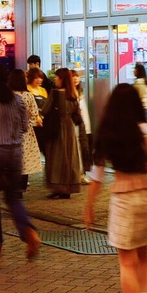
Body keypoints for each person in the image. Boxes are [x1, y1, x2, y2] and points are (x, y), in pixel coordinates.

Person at [85, 86, 147, 293]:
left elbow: (96, 176)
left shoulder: (109, 133)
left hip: (124, 200)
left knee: (126, 263)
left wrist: (89, 207)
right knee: (144, 256)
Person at [0, 63, 42, 259]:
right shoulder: (19, 101)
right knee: (13, 198)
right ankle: (29, 232)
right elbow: (23, 127)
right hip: (15, 155)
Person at [44, 67, 84, 198]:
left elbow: (44, 110)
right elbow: (77, 117)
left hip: (56, 129)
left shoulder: (55, 94)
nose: (55, 79)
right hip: (69, 129)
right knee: (69, 158)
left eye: (57, 77)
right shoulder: (73, 95)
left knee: (56, 158)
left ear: (61, 79)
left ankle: (57, 188)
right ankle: (68, 187)